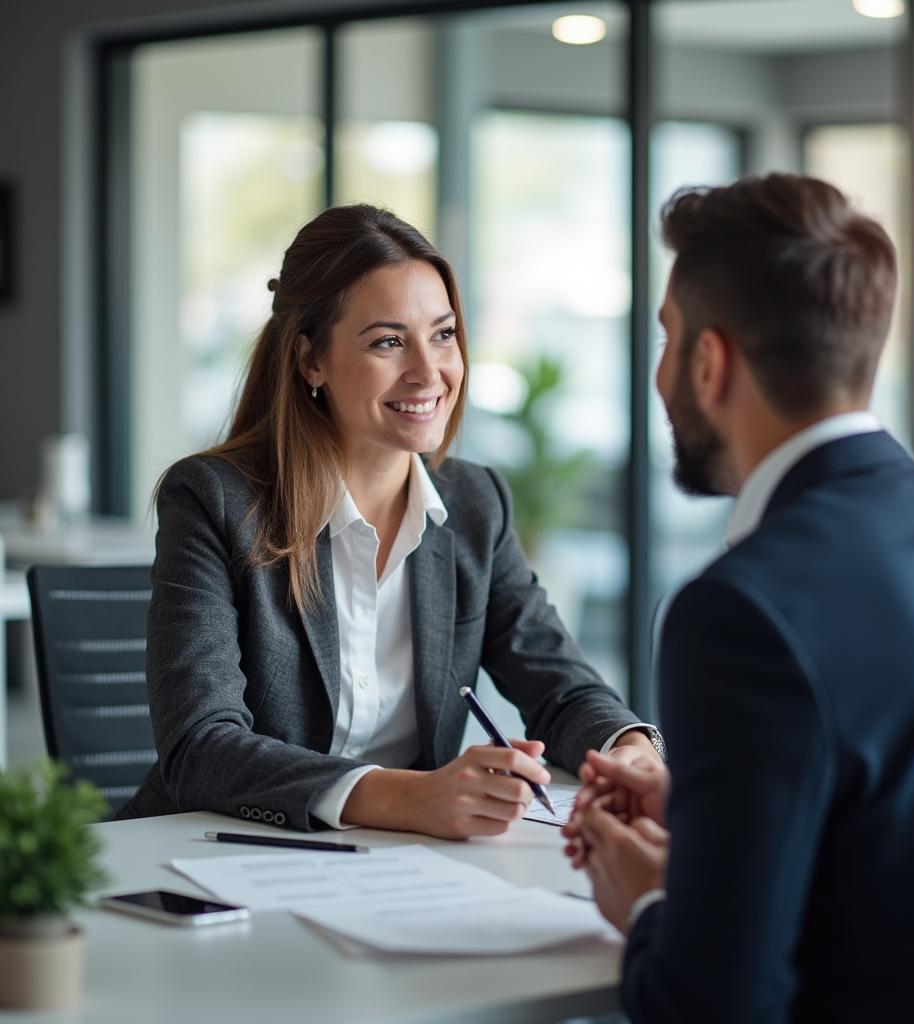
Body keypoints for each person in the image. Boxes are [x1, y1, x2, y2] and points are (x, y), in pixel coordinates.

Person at [562, 173, 914, 1022]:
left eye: (666, 340)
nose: (659, 374)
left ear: (710, 362)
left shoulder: (740, 610)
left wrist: (646, 904)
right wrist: (712, 814)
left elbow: (717, 1005)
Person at [119, 204, 663, 838]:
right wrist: (408, 799)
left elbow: (561, 686)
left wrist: (629, 748)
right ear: (310, 361)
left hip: (398, 870)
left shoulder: (474, 505)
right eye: (387, 342)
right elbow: (200, 747)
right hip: (212, 858)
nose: (429, 372)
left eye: (443, 334)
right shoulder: (216, 501)